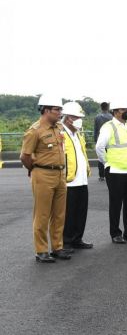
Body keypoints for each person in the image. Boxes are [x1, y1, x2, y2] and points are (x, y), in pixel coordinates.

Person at [20, 95, 71, 263]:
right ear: (46, 110)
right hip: (42, 174)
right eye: (57, 109)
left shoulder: (58, 128)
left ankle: (57, 247)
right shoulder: (35, 130)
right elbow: (25, 156)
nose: (60, 113)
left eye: (60, 109)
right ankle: (41, 250)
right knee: (42, 215)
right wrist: (34, 169)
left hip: (59, 174)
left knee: (59, 214)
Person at [96, 99, 127, 244]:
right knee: (116, 204)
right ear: (116, 112)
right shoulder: (108, 126)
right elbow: (99, 147)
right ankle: (115, 233)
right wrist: (107, 164)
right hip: (115, 171)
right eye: (123, 110)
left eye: (126, 109)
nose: (126, 112)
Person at [61, 102, 93, 250]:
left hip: (81, 179)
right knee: (69, 213)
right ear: (68, 118)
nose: (80, 120)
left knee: (81, 211)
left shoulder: (78, 134)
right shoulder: (61, 134)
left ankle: (77, 238)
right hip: (69, 181)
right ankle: (66, 241)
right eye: (76, 117)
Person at [94, 102, 113, 181]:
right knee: (110, 157)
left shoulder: (97, 117)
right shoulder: (112, 117)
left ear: (101, 107)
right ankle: (110, 174)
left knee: (101, 158)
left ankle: (101, 176)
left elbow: (95, 130)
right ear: (108, 107)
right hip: (110, 140)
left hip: (100, 139)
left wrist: (95, 140)